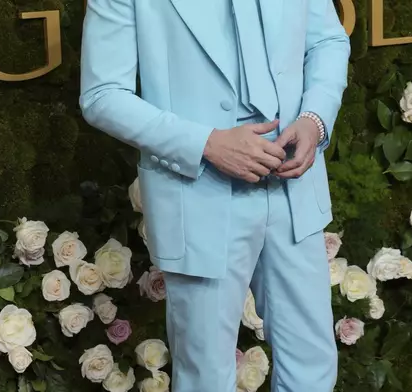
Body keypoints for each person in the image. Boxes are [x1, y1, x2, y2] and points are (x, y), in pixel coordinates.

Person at [79, 0, 350, 390]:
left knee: (313, 362)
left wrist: (315, 119)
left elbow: (327, 41)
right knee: (204, 376)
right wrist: (205, 144)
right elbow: (102, 94)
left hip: (294, 189)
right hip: (200, 191)